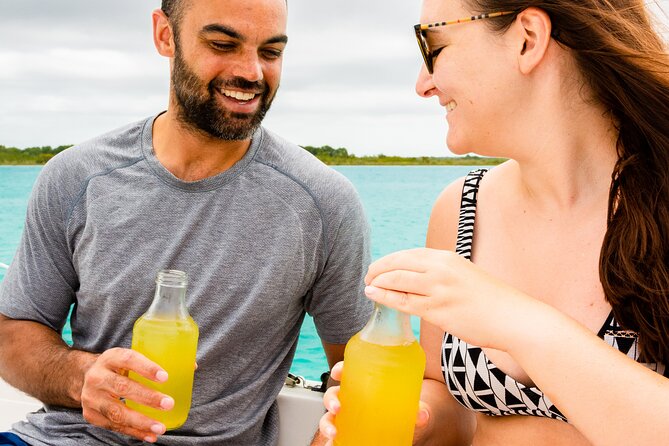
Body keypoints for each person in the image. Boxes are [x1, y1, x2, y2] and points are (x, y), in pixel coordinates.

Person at [0, 0, 372, 445]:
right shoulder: (75, 177)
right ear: (164, 35)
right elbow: (13, 337)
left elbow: (356, 373)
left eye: (271, 52)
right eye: (222, 43)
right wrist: (83, 378)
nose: (252, 72)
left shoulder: (325, 204)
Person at [315, 0, 669, 445]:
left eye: (433, 46)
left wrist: (515, 321)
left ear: (528, 40)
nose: (423, 85)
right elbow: (456, 411)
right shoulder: (461, 208)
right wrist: (411, 419)